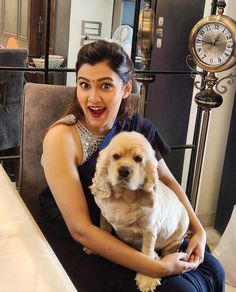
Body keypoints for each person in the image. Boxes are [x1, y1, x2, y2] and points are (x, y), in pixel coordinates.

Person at [39, 40, 225, 291]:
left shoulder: (139, 129)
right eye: (84, 85)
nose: (93, 97)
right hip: (88, 243)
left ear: (126, 89)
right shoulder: (61, 138)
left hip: (139, 226)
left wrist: (198, 229)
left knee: (214, 269)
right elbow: (80, 229)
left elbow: (167, 181)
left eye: (105, 85)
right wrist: (156, 267)